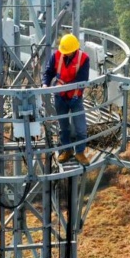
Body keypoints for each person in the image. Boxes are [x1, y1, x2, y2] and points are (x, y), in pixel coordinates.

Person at [43, 33, 90, 166]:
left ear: (75, 49)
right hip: (60, 96)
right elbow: (48, 72)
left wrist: (73, 93)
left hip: (75, 97)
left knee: (81, 128)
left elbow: (82, 79)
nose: (67, 54)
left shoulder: (83, 59)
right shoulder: (57, 55)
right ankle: (67, 150)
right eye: (65, 52)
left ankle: (80, 152)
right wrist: (45, 84)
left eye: (69, 52)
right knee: (63, 127)